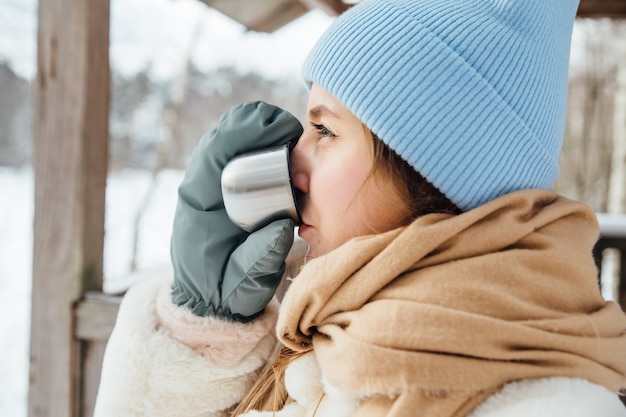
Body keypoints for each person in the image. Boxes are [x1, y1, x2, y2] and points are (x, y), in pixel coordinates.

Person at [93, 0, 626, 416]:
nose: (291, 162)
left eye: (324, 130)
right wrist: (200, 331)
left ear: (429, 169)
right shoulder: (331, 346)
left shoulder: (547, 407)